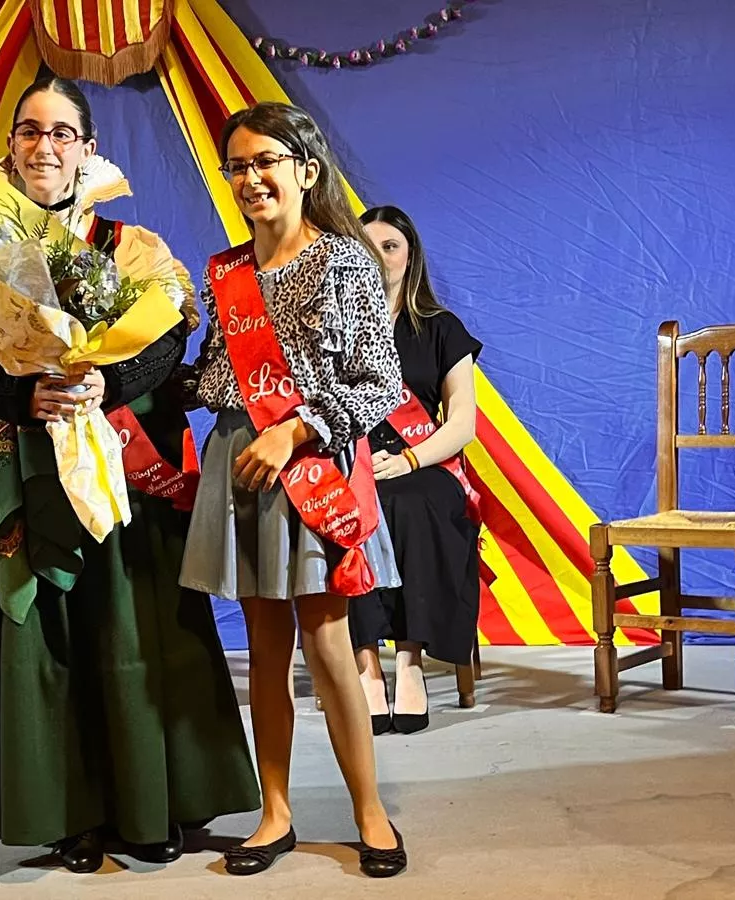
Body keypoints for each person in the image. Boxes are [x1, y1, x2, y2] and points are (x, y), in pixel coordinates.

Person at [0, 74, 260, 873]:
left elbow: (167, 339)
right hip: (22, 458)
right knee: (46, 631)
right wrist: (22, 390)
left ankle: (157, 802)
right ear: (10, 147)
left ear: (88, 149)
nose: (45, 146)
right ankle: (66, 811)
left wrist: (111, 381)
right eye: (30, 132)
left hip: (124, 462)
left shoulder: (134, 247)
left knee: (136, 626)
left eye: (61, 132)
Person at [179, 101, 408, 878]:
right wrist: (126, 357)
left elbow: (381, 385)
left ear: (307, 170)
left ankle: (369, 813)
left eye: (265, 161)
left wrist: (298, 428)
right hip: (242, 465)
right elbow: (215, 375)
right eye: (237, 166)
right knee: (265, 646)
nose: (251, 179)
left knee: (329, 643)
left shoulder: (345, 262)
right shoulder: (226, 274)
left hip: (310, 466)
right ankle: (274, 814)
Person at [347, 205, 483, 736]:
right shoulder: (333, 327)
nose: (379, 257)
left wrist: (405, 459)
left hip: (422, 461)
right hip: (351, 461)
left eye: (391, 246)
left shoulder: (441, 328)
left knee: (415, 501)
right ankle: (365, 668)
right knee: (347, 506)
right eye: (367, 246)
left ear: (411, 256)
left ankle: (409, 664)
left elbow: (462, 423)